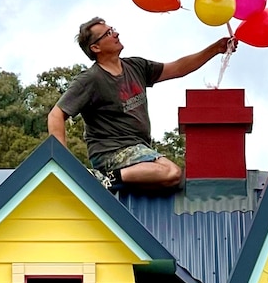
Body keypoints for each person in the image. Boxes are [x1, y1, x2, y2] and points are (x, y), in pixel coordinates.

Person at [48, 17, 235, 191]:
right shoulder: (90, 79)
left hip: (139, 149)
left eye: (112, 29)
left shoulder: (135, 67)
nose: (116, 34)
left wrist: (215, 49)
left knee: (169, 179)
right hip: (111, 153)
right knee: (172, 173)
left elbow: (177, 68)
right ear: (96, 48)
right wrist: (64, 163)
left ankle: (114, 180)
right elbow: (56, 115)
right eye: (108, 33)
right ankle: (104, 179)